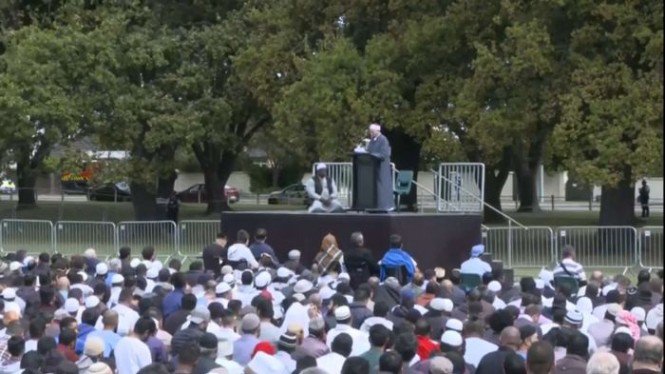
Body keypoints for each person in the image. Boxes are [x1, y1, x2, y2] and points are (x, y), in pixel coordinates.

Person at [364, 123, 394, 211]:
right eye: (370, 132)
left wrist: (373, 155)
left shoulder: (383, 140)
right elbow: (369, 150)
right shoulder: (372, 140)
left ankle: (383, 206)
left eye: (372, 132)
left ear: (378, 131)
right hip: (373, 168)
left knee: (381, 186)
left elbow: (384, 154)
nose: (371, 133)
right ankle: (374, 205)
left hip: (381, 168)